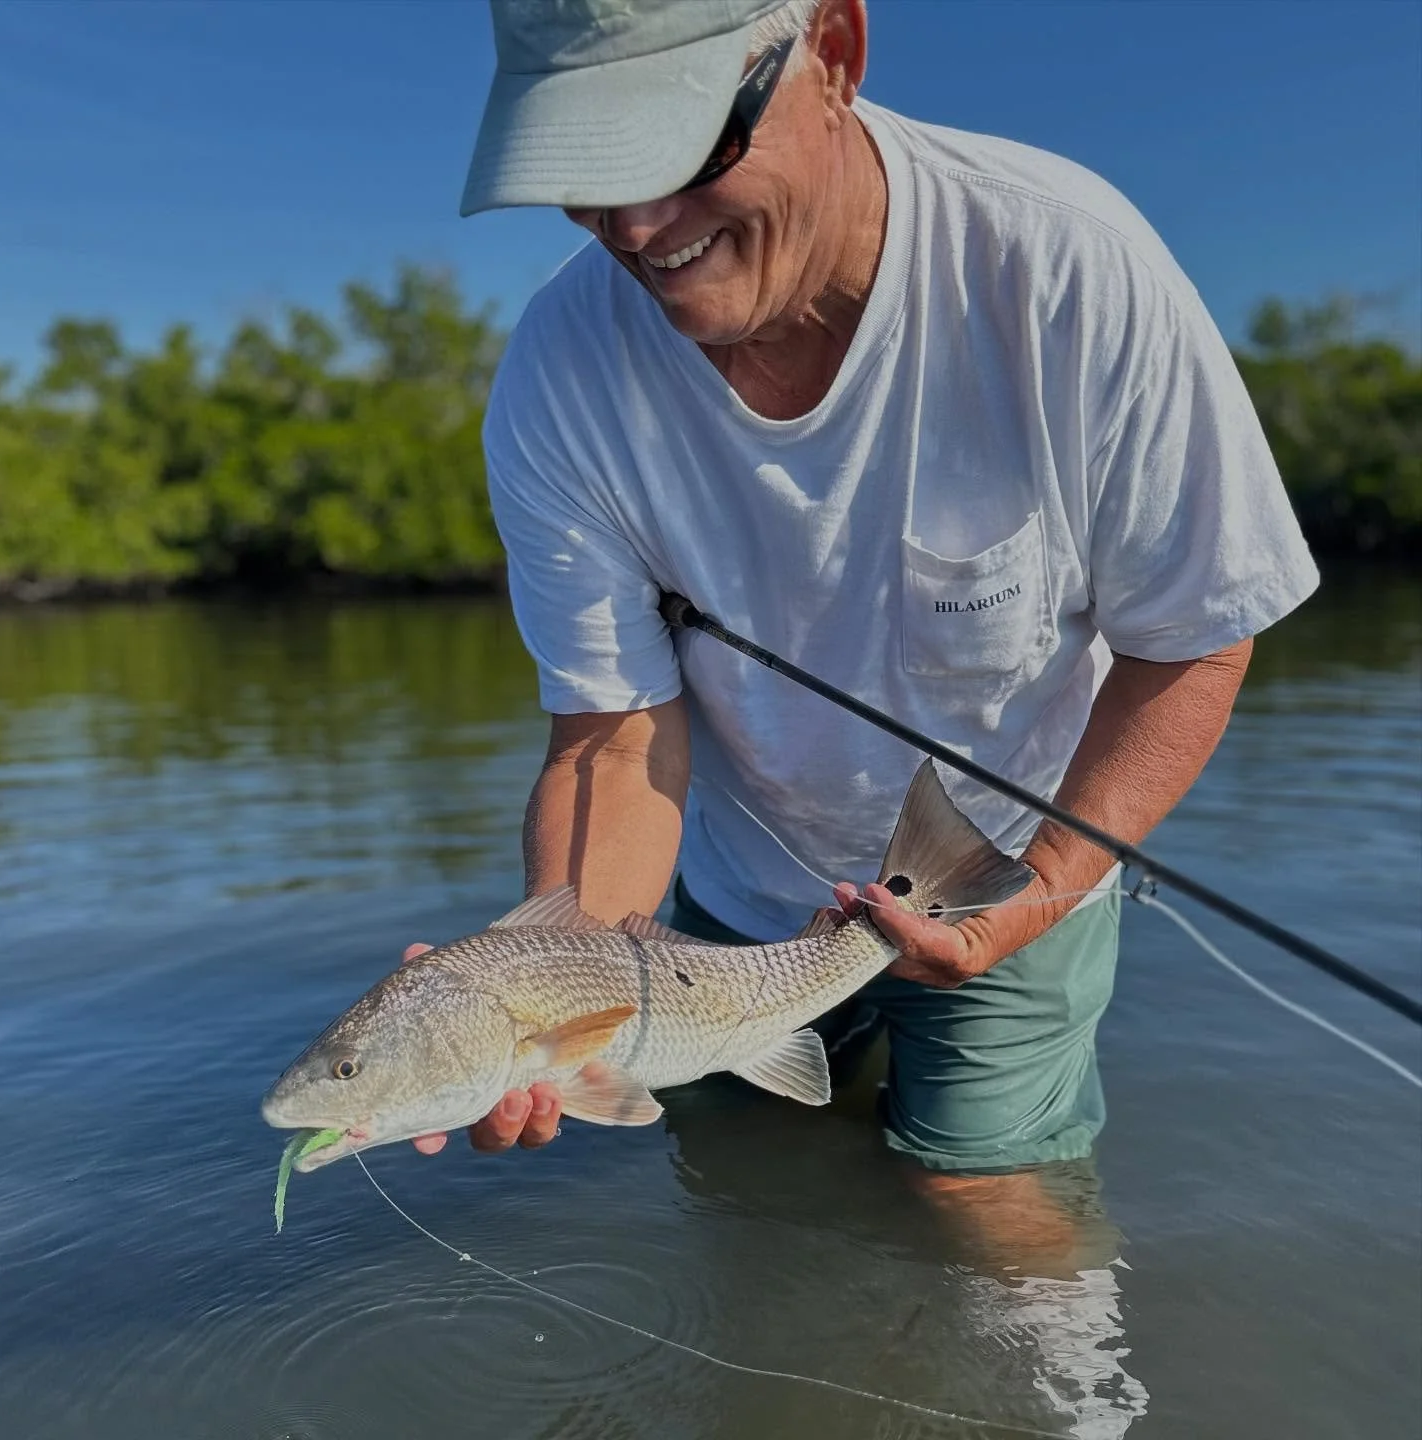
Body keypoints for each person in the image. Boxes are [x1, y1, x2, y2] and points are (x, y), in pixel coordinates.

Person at [408, 0, 1318, 1216]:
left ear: (833, 53)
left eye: (678, 146)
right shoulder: (559, 377)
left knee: (986, 1207)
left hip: (1006, 863)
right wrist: (541, 992)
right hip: (718, 920)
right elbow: (613, 735)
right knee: (742, 1190)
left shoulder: (1068, 269)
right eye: (580, 169)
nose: (630, 225)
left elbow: (1194, 640)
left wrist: (1030, 899)